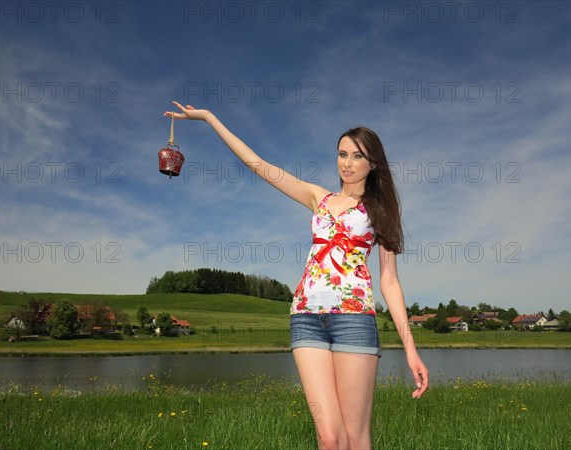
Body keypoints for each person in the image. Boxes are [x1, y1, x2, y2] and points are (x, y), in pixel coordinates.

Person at [163, 102, 429, 450]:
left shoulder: (379, 210)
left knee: (355, 438)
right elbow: (260, 166)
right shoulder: (318, 197)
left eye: (357, 156)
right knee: (330, 438)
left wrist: (410, 348)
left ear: (372, 163)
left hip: (354, 320)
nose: (347, 164)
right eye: (342, 154)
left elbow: (389, 281)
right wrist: (210, 119)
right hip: (305, 318)